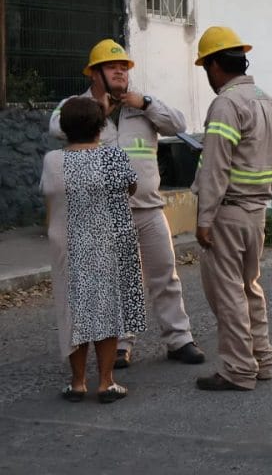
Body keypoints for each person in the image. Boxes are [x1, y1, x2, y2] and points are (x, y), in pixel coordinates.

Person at [49, 39, 205, 369]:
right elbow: (55, 126)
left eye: (124, 67)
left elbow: (177, 124)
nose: (120, 71)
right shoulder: (77, 107)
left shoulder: (142, 106)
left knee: (165, 274)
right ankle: (120, 345)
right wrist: (97, 112)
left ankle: (180, 339)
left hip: (149, 208)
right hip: (104, 213)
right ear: (94, 73)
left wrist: (146, 102)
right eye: (112, 66)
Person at [191, 26, 272, 391]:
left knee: (227, 294)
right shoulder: (267, 101)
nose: (207, 77)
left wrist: (204, 218)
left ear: (215, 65)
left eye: (206, 68)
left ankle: (238, 369)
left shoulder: (226, 104)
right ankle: (262, 359)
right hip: (256, 210)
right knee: (249, 288)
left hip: (228, 212)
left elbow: (215, 167)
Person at [41, 96, 146, 403]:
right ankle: (105, 382)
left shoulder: (52, 161)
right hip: (109, 241)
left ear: (64, 128)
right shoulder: (114, 157)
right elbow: (130, 189)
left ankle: (77, 382)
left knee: (74, 308)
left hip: (68, 245)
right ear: (101, 126)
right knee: (108, 310)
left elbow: (47, 194)